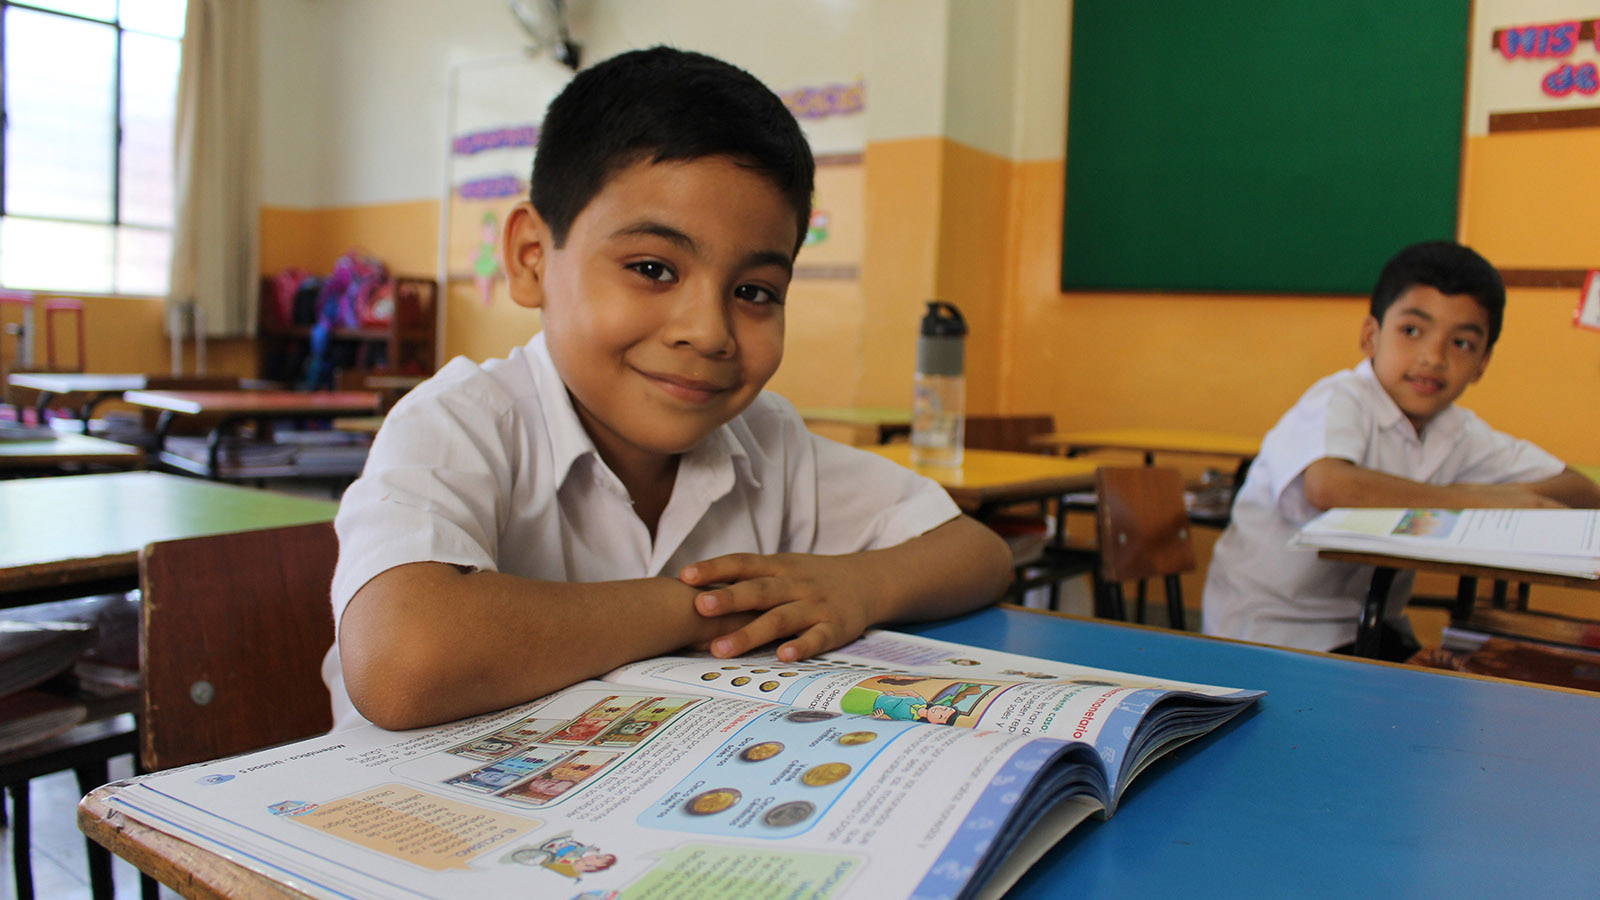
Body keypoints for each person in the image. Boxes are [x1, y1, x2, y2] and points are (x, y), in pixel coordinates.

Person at [323, 47, 1013, 731]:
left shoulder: (767, 441)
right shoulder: (460, 424)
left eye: (754, 291)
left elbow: (977, 554)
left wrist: (858, 586)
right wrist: (711, 606)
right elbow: (404, 661)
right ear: (533, 257)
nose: (708, 331)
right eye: (653, 268)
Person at [1202, 240, 1600, 659]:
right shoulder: (1340, 398)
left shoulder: (1458, 430)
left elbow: (1581, 490)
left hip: (1369, 626)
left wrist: (1519, 500)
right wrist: (1482, 500)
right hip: (1265, 632)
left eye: (1461, 343)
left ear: (1483, 362)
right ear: (1371, 336)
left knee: (1474, 681)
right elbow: (1329, 485)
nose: (1432, 358)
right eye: (1411, 331)